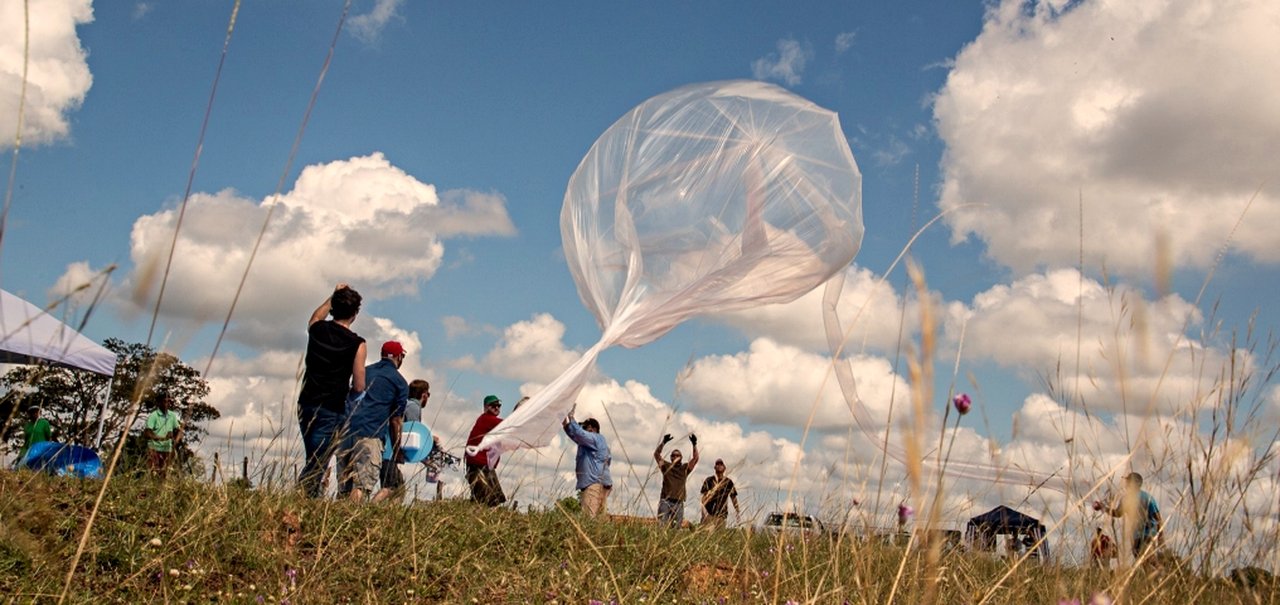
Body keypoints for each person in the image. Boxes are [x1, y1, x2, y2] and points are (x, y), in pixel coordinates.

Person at [297, 284, 367, 498]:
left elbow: (316, 316)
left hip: (306, 402)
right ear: (355, 314)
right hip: (332, 406)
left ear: (334, 308)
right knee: (318, 461)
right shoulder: (357, 344)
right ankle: (303, 498)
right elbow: (359, 385)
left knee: (313, 455)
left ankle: (309, 497)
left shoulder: (318, 330)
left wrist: (332, 296)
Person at [340, 341, 409, 502]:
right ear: (399, 357)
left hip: (345, 431)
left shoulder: (365, 371)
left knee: (344, 486)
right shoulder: (399, 382)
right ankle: (351, 523)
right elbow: (395, 420)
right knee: (361, 486)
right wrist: (397, 449)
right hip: (370, 433)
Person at [1097, 472, 1162, 558]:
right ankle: (1157, 570)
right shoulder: (1145, 497)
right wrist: (1103, 507)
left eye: (1128, 481)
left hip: (1146, 534)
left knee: (1147, 559)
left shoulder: (1130, 499)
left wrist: (1103, 508)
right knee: (1143, 560)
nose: (1126, 484)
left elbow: (1116, 513)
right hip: (1140, 535)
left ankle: (1159, 570)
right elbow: (1158, 518)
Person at [562, 410, 612, 517]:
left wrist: (571, 417)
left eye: (585, 428)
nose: (583, 430)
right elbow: (575, 435)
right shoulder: (591, 444)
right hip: (599, 484)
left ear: (592, 429)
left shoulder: (596, 438)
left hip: (592, 485)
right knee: (598, 520)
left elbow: (580, 434)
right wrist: (565, 424)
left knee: (589, 519)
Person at [464, 395, 506, 506]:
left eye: (498, 405)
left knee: (493, 497)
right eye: (493, 406)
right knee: (486, 497)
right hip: (477, 465)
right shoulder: (487, 419)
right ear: (486, 407)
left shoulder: (487, 420)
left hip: (483, 465)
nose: (497, 408)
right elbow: (508, 426)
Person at [654, 432, 699, 527]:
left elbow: (695, 459)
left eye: (677, 455)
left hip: (678, 502)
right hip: (665, 501)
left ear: (681, 458)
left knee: (676, 528)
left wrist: (694, 444)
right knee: (662, 526)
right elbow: (657, 455)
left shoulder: (684, 468)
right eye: (673, 455)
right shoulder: (666, 466)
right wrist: (663, 442)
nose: (675, 457)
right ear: (670, 457)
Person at [142, 395, 183, 477]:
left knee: (165, 473)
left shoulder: (172, 415)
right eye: (164, 401)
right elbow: (147, 433)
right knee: (153, 472)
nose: (166, 404)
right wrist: (162, 438)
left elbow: (179, 430)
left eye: (168, 402)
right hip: (154, 448)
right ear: (159, 403)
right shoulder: (154, 415)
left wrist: (177, 438)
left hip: (167, 448)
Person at [699, 458, 740, 528]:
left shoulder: (728, 482)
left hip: (721, 515)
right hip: (709, 514)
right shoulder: (709, 480)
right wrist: (704, 513)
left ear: (724, 468)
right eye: (717, 464)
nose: (719, 466)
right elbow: (702, 498)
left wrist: (737, 511)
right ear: (714, 467)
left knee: (719, 535)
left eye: (721, 464)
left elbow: (733, 498)